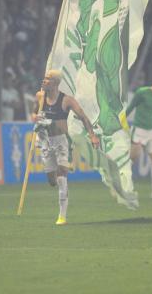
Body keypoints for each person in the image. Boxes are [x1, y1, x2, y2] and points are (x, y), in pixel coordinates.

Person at [32, 69, 100, 225]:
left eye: (48, 79)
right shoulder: (39, 96)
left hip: (62, 142)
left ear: (56, 82)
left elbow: (83, 116)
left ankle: (62, 216)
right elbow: (34, 114)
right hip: (45, 141)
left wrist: (92, 135)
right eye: (44, 78)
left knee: (62, 176)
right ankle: (58, 176)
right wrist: (36, 117)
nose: (44, 81)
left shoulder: (66, 100)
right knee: (52, 180)